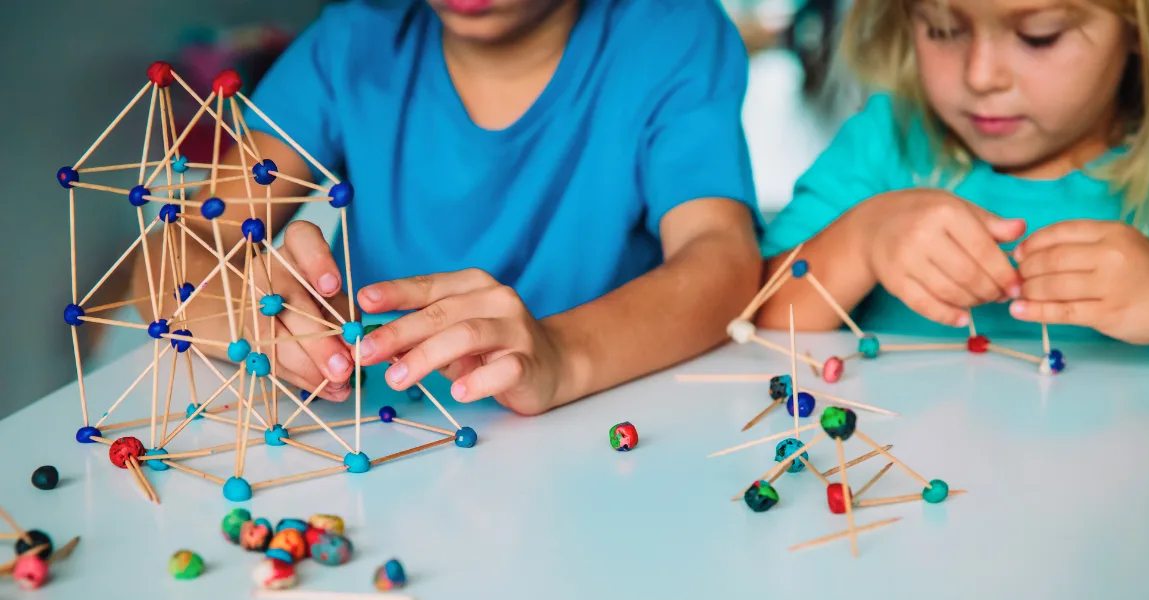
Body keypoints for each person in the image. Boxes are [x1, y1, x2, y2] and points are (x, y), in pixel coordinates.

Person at [133, 0, 761, 415]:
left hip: (608, 430)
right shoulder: (352, 40)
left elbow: (722, 258)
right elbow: (170, 248)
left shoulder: (671, 32)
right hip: (384, 442)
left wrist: (562, 354)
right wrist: (248, 311)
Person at [757, 0, 1149, 346]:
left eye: (1038, 36)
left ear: (1138, 25)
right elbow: (755, 322)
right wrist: (860, 243)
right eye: (944, 29)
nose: (981, 76)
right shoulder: (884, 143)